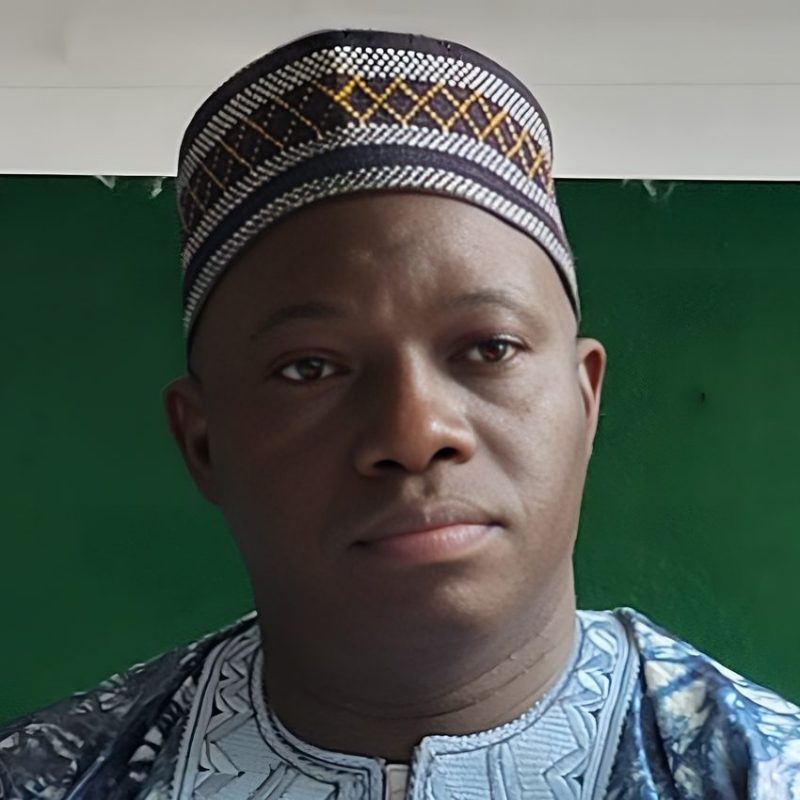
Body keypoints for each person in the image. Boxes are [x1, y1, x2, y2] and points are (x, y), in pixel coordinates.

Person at [1, 26, 798, 800]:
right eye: (310, 367)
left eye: (488, 348)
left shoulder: (762, 772)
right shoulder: (51, 777)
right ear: (204, 443)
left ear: (585, 400)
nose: (414, 435)